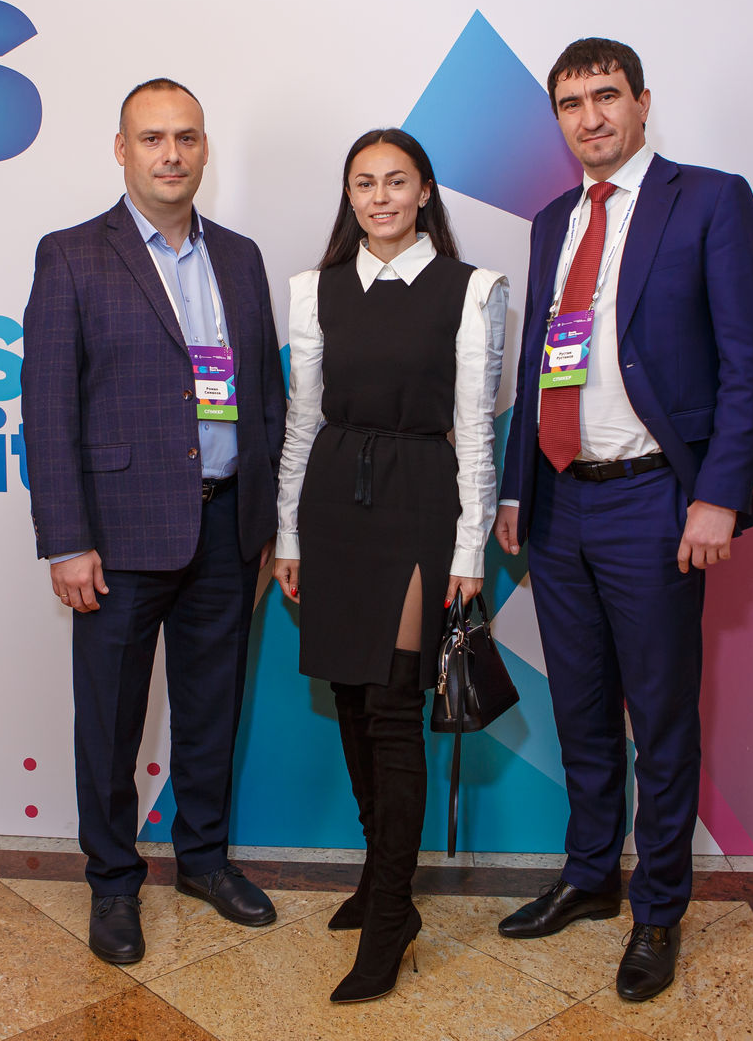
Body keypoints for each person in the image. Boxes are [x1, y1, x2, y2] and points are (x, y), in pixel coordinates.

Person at [492, 39, 753, 1002]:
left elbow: (748, 363)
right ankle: (588, 877)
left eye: (607, 96)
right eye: (571, 103)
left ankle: (658, 908)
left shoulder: (711, 201)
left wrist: (717, 496)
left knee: (658, 717)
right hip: (560, 500)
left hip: (657, 497)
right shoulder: (552, 222)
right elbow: (541, 360)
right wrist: (518, 488)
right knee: (578, 708)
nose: (591, 117)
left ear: (642, 102)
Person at [22, 78, 287, 966]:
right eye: (152, 138)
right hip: (118, 534)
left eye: (186, 137)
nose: (171, 154)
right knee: (110, 722)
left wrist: (269, 522)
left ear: (205, 149)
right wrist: (66, 540)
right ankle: (112, 882)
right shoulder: (71, 255)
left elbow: (266, 398)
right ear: (121, 149)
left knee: (212, 710)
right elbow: (48, 411)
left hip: (226, 527)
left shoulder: (240, 258)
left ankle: (204, 861)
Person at [273, 128, 508, 1003]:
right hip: (335, 498)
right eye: (364, 183)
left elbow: (475, 429)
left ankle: (390, 915)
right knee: (348, 695)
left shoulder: (472, 289)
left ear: (424, 192)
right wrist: (289, 534)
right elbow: (302, 422)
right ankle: (379, 874)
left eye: (396, 181)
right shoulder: (314, 289)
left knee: (393, 707)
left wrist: (469, 547)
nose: (380, 197)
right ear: (350, 196)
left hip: (418, 499)